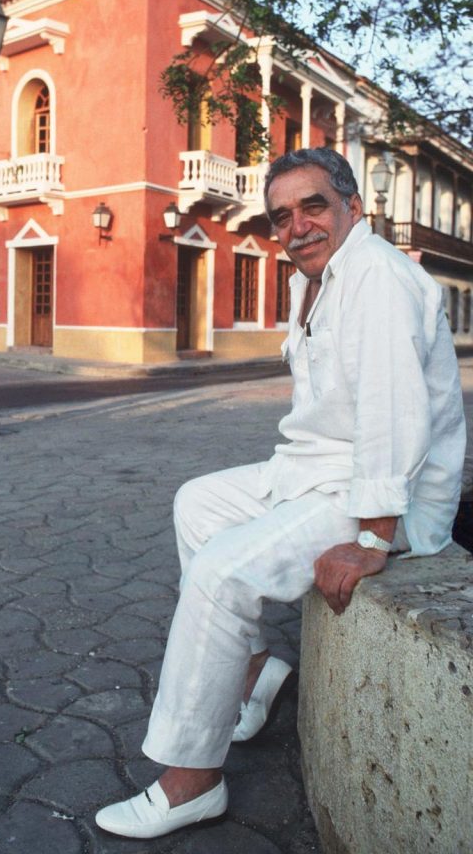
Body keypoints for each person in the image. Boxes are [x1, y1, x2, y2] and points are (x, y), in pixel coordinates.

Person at [96, 147, 465, 839]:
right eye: (282, 216)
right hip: (312, 470)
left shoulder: (378, 278)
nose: (297, 226)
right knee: (196, 502)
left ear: (353, 207)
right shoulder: (313, 281)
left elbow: (393, 412)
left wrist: (371, 537)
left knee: (220, 572)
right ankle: (258, 672)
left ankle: (190, 781)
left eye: (314, 205)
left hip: (377, 492)